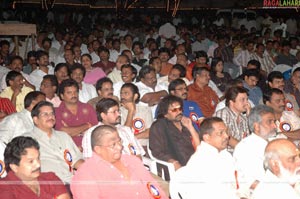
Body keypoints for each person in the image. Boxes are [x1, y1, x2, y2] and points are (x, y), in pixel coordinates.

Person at [71, 125, 168, 199]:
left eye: (119, 141)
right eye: (113, 144)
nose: (120, 147)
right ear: (98, 149)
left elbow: (154, 190)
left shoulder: (132, 161)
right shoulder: (85, 175)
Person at [171, 117, 239, 199]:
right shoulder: (201, 161)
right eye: (220, 133)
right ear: (207, 138)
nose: (226, 136)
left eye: (226, 132)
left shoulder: (224, 154)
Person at [28, 101, 84, 184]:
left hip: (70, 182)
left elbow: (76, 161)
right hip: (47, 185)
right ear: (36, 120)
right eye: (45, 114)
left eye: (52, 114)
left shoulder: (63, 136)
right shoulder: (27, 140)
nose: (50, 116)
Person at [0, 136, 70, 199]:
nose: (38, 165)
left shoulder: (50, 178)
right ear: (14, 167)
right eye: (31, 161)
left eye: (38, 158)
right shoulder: (4, 187)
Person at [233, 105, 277, 198]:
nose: (275, 126)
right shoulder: (246, 147)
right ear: (256, 126)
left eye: (274, 122)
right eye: (270, 122)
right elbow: (253, 182)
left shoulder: (277, 140)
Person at [149, 95, 200, 170]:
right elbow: (157, 151)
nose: (179, 112)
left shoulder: (185, 123)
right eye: (174, 110)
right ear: (165, 114)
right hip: (177, 166)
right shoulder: (159, 126)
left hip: (196, 163)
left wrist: (190, 127)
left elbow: (199, 147)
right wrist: (173, 162)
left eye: (180, 109)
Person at [55, 79, 98, 147]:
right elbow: (63, 132)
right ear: (62, 96)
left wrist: (72, 131)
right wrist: (87, 125)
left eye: (75, 92)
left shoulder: (88, 107)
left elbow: (96, 129)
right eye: (69, 92)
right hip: (68, 149)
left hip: (90, 146)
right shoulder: (57, 112)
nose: (73, 95)